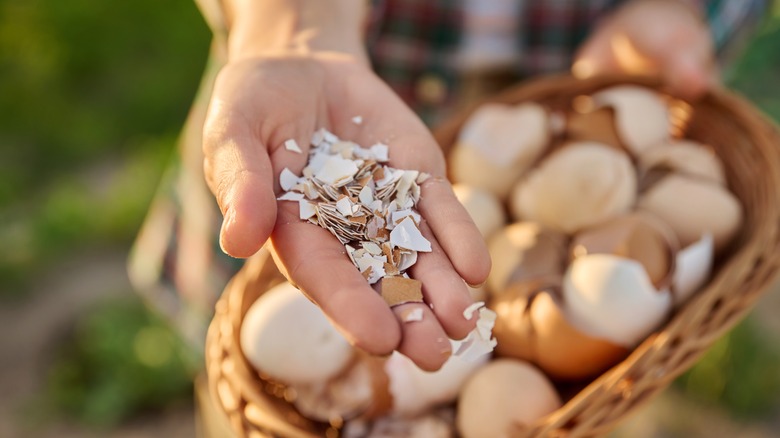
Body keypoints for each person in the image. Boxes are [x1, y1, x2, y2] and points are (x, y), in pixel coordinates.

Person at [130, 0, 767, 374]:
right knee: (262, 366)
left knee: (555, 377)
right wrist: (293, 25)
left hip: (569, 102)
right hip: (321, 89)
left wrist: (683, 8)